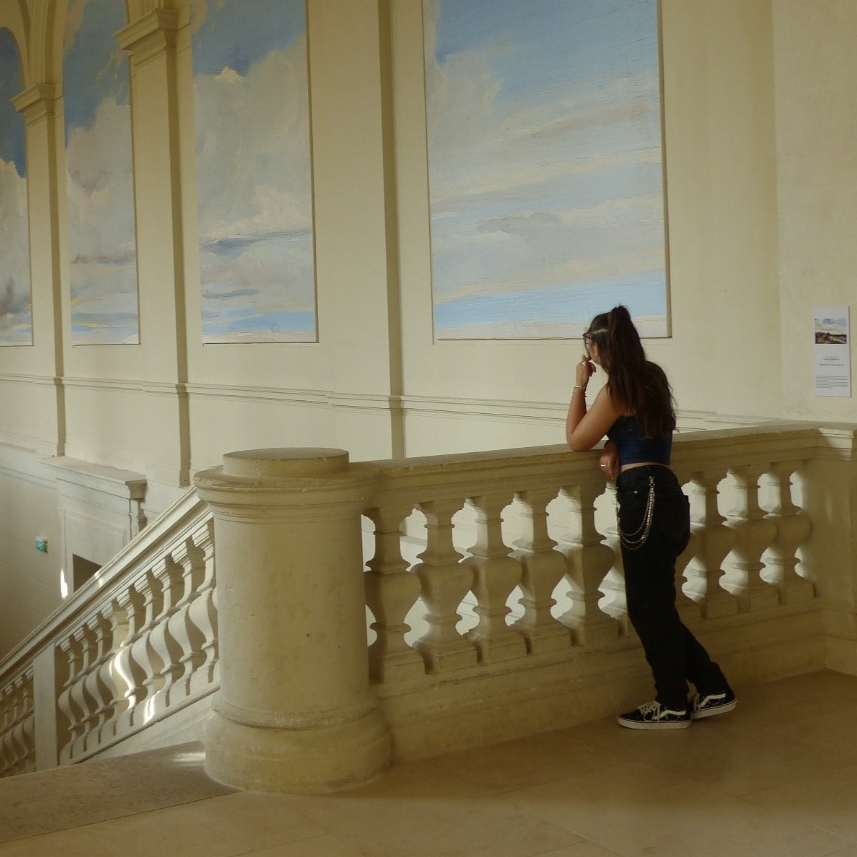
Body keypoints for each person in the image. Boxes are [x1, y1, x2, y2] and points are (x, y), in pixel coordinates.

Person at [565, 305, 735, 730]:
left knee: (647, 608)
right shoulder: (653, 378)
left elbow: (576, 440)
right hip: (669, 495)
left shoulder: (615, 390)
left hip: (644, 499)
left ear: (599, 348)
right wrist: (615, 443)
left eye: (589, 343)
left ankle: (673, 702)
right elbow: (641, 431)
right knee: (656, 605)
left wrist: (579, 384)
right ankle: (711, 687)